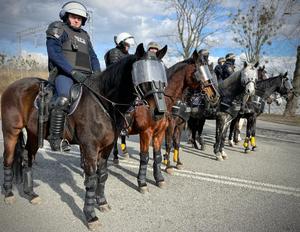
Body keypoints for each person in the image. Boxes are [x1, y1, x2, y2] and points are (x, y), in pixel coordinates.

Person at [46, 1, 101, 152]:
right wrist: (72, 72)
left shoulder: (85, 35)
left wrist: (97, 73)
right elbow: (54, 54)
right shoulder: (58, 29)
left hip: (87, 76)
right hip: (65, 74)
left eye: (80, 18)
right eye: (73, 16)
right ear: (66, 16)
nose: (77, 20)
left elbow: (93, 57)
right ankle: (56, 137)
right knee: (63, 98)